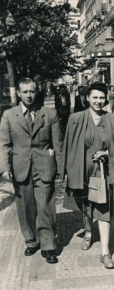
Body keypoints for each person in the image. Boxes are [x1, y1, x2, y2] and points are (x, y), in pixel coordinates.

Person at [61, 81, 114, 269]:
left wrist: (107, 154)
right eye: (94, 97)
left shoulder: (112, 119)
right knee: (85, 205)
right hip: (82, 170)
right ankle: (89, 233)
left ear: (106, 99)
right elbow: (68, 145)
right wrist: (66, 170)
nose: (98, 101)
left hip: (103, 171)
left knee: (103, 208)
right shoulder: (75, 118)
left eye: (101, 97)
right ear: (87, 98)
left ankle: (105, 252)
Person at [0, 78, 62, 264]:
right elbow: (3, 145)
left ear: (37, 92)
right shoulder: (9, 115)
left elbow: (57, 144)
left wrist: (60, 167)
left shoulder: (49, 114)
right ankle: (31, 240)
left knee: (45, 207)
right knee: (26, 207)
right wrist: (4, 168)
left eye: (32, 91)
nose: (28, 95)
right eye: (25, 92)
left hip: (44, 167)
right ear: (18, 93)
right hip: (20, 168)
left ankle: (48, 245)